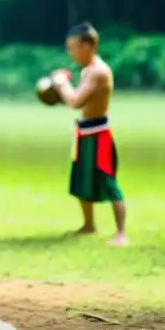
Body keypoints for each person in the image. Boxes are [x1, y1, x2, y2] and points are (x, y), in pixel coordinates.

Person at [50, 22, 128, 247]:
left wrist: (61, 83)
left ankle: (121, 233)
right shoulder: (87, 70)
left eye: (72, 48)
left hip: (98, 135)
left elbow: (75, 101)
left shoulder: (99, 72)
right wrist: (57, 90)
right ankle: (88, 225)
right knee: (82, 179)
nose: (70, 53)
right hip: (85, 132)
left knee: (108, 181)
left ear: (87, 46)